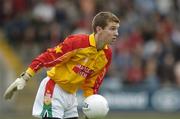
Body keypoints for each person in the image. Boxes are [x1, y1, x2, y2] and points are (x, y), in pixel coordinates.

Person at [3, 11, 120, 119]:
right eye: (112, 29)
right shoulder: (78, 42)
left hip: (71, 97)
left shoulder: (107, 54)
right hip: (53, 89)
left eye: (117, 29)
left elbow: (92, 84)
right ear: (99, 29)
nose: (116, 33)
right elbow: (48, 57)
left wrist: (91, 105)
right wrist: (25, 77)